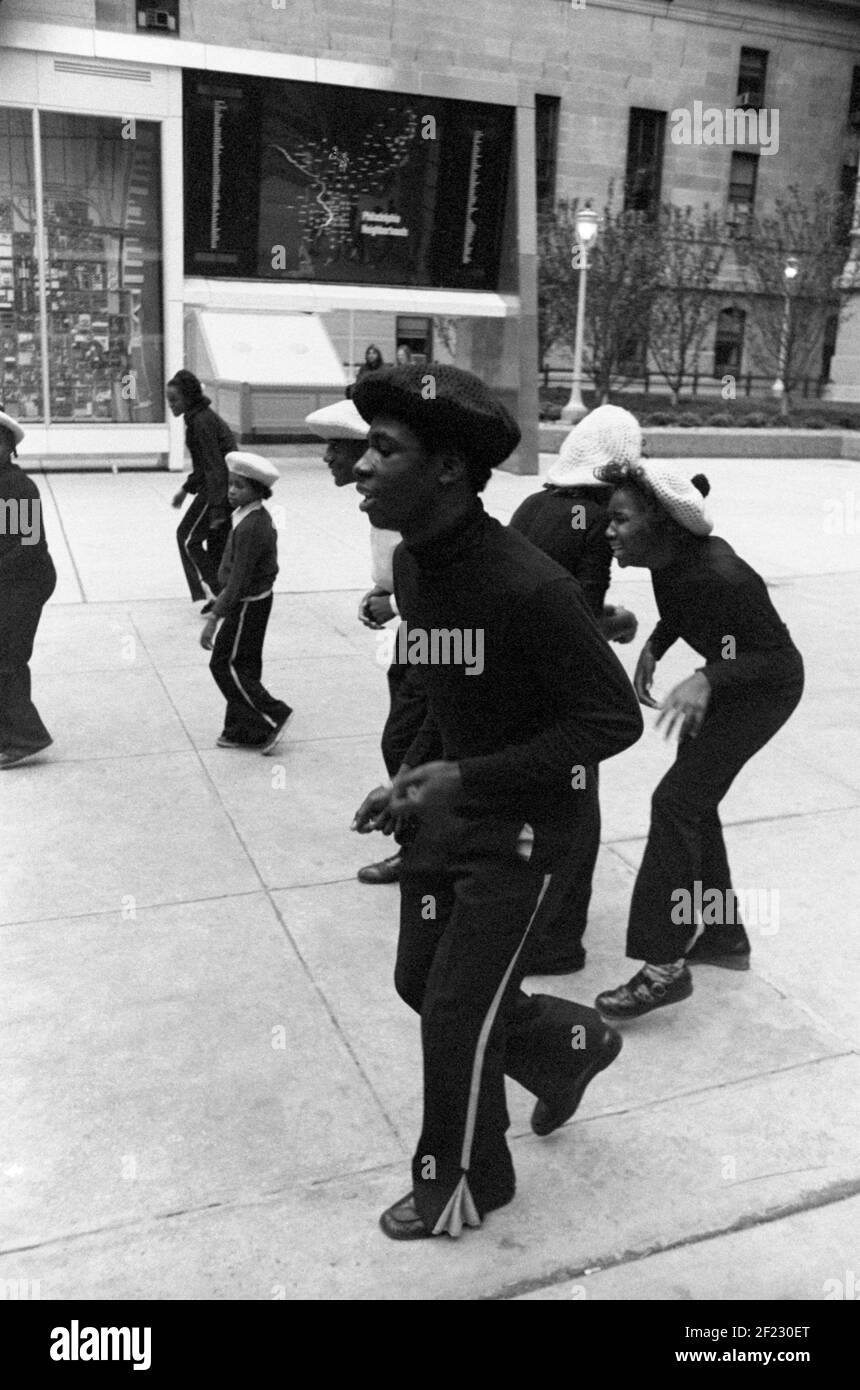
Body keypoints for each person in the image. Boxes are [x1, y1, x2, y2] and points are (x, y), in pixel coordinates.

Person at [349, 364, 643, 1240]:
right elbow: (452, 695)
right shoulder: (414, 567)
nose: (360, 466)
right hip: (453, 813)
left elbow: (610, 720)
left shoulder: (531, 587)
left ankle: (462, 1181)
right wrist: (414, 775)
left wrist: (465, 779)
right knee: (421, 984)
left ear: (446, 469)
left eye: (383, 449)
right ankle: (567, 1047)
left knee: (454, 1011)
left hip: (531, 828)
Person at [593, 460, 804, 1021]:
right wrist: (657, 647)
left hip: (765, 690)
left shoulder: (722, 573)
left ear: (661, 525)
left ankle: (663, 967)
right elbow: (683, 610)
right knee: (694, 805)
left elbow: (774, 658)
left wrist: (708, 676)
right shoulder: (671, 560)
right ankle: (723, 937)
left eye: (620, 519)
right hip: (734, 682)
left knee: (675, 803)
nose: (607, 530)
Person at [509, 405, 640, 974]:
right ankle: (558, 942)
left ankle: (518, 923)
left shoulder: (533, 505)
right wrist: (619, 620)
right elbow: (579, 615)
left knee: (529, 809)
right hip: (561, 693)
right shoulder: (593, 517)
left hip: (511, 679)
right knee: (576, 815)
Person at [304, 398, 429, 885]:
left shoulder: (401, 505)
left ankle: (419, 848)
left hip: (434, 637)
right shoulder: (379, 503)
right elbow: (402, 570)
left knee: (407, 739)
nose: (330, 459)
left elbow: (434, 581)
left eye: (337, 446)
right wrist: (384, 593)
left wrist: (396, 605)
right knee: (408, 734)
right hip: (415, 633)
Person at [201, 451, 292, 754]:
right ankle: (241, 729)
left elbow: (239, 580)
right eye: (231, 483)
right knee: (244, 664)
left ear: (258, 491)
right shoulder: (246, 515)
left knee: (223, 664)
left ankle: (273, 716)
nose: (231, 490)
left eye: (240, 486)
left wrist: (214, 617)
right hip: (251, 601)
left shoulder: (253, 525)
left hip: (248, 603)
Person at [0, 407, 56, 769]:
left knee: (7, 660)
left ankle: (26, 737)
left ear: (8, 447)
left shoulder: (15, 486)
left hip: (25, 584)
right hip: (10, 581)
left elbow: (28, 545)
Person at [167, 370, 236, 613]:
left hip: (219, 490)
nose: (170, 405)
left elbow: (215, 467)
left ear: (189, 398)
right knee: (216, 547)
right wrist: (185, 490)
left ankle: (215, 594)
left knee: (187, 539)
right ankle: (224, 595)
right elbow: (204, 466)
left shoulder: (201, 422)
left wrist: (217, 508)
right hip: (222, 489)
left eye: (174, 400)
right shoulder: (197, 418)